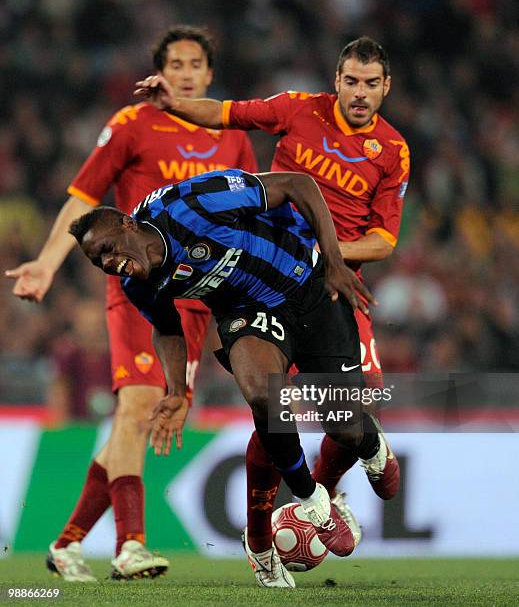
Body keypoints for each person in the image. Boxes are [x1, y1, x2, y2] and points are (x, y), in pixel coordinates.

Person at [134, 35, 407, 567]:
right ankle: (261, 532)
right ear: (336, 80)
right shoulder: (298, 109)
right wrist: (174, 104)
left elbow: (384, 241)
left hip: (334, 288)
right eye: (351, 81)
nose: (359, 93)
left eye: (370, 84)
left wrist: (326, 252)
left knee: (353, 416)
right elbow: (225, 112)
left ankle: (321, 497)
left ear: (385, 87)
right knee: (272, 405)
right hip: (265, 284)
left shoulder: (392, 151)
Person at [5, 26, 257, 582]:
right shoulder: (132, 125)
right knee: (141, 407)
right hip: (136, 292)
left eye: (196, 64)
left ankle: (68, 544)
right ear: (160, 73)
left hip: (199, 300)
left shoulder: (233, 138)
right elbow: (82, 196)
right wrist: (48, 262)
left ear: (209, 75)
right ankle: (131, 545)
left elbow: (245, 216)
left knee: (138, 419)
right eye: (176, 64)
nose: (187, 73)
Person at [69, 168, 378, 589]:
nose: (108, 263)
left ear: (128, 223)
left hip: (308, 286)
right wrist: (177, 390)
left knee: (346, 423)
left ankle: (372, 449)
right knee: (263, 395)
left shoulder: (191, 204)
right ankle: (311, 501)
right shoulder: (136, 283)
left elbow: (297, 184)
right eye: (97, 261)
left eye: (106, 249)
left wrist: (335, 260)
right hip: (247, 311)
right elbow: (167, 328)